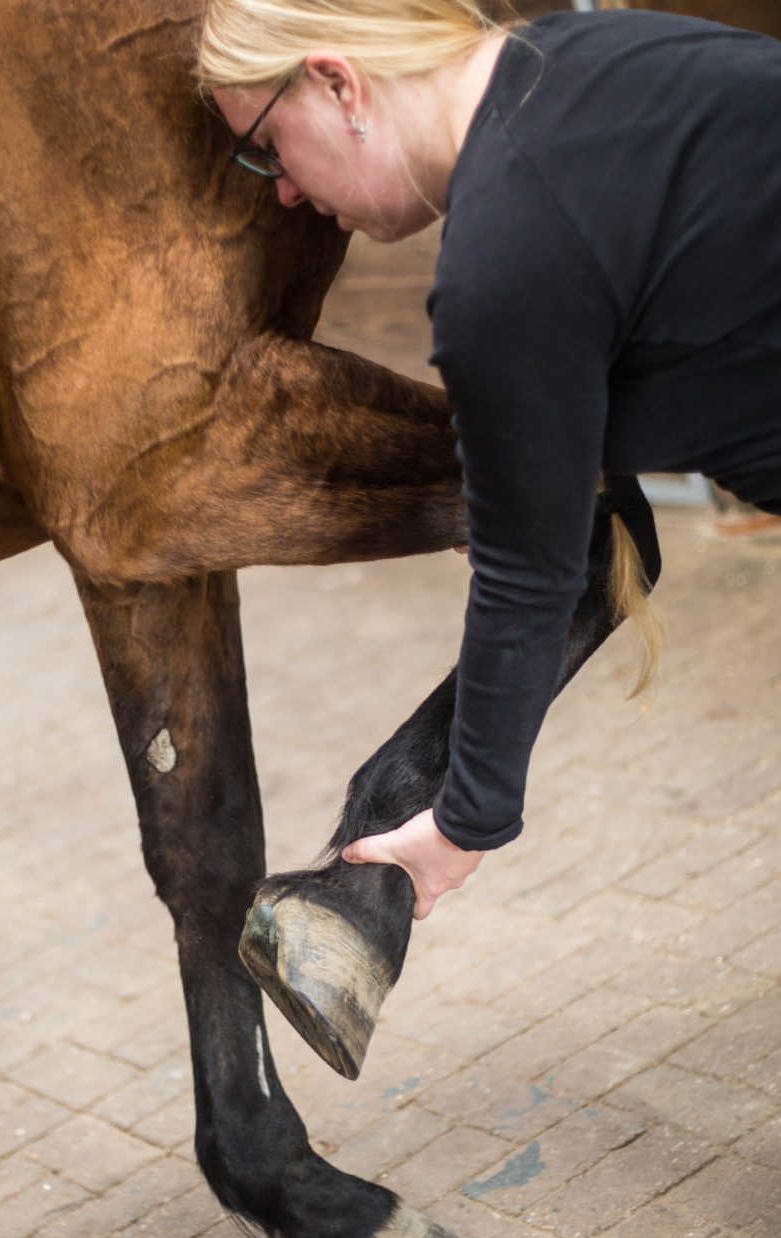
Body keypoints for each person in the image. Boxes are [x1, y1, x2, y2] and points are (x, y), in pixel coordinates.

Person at [197, 0, 781, 918]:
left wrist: (458, 825)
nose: (284, 192)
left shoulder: (500, 259)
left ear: (338, 84)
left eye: (267, 146)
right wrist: (515, 472)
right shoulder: (587, 51)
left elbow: (529, 579)